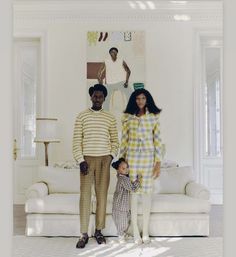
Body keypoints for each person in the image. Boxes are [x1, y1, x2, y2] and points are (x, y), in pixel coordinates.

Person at [73, 84, 119, 248]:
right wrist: (80, 160)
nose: (97, 99)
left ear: (104, 98)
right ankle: (84, 233)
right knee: (85, 197)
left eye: (100, 96)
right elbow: (76, 141)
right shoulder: (81, 116)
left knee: (101, 196)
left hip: (104, 161)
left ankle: (99, 230)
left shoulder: (110, 118)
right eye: (95, 96)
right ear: (91, 97)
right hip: (86, 161)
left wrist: (110, 157)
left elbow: (115, 141)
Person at [119, 88, 162, 244]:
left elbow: (157, 142)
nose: (140, 101)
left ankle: (145, 231)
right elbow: (124, 141)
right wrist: (121, 162)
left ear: (147, 100)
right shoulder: (127, 119)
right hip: (132, 159)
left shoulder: (153, 118)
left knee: (146, 195)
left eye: (143, 98)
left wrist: (158, 163)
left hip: (148, 160)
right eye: (138, 98)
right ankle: (135, 230)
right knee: (134, 194)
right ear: (134, 100)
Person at [111, 158, 141, 243]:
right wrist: (138, 180)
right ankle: (120, 236)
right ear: (118, 170)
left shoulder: (121, 177)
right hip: (121, 206)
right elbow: (132, 188)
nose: (126, 170)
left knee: (126, 220)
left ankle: (123, 234)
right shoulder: (124, 179)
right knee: (123, 222)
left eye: (127, 167)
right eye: (123, 168)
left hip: (121, 205)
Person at [97, 47, 133, 112]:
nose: (113, 53)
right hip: (110, 84)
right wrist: (100, 84)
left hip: (121, 82)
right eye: (112, 52)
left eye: (115, 52)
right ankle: (106, 113)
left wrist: (127, 82)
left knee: (130, 93)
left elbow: (128, 71)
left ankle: (130, 110)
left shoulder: (121, 60)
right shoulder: (106, 61)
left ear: (117, 53)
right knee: (105, 98)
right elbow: (99, 73)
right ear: (110, 53)